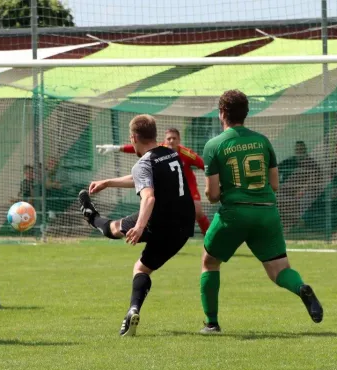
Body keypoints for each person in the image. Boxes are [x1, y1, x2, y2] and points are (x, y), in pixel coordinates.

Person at [199, 90, 323, 333]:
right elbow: (274, 185)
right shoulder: (263, 141)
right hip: (267, 212)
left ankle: (212, 323)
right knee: (280, 269)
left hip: (234, 213)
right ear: (246, 114)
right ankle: (301, 288)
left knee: (209, 262)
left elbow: (213, 196)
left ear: (222, 113)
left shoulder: (214, 145)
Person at [79, 114, 195, 337]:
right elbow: (144, 178)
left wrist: (140, 226)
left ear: (133, 137)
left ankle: (91, 216)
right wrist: (109, 182)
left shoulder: (144, 163)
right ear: (155, 134)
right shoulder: (171, 152)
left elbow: (148, 196)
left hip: (157, 222)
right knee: (142, 267)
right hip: (183, 226)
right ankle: (132, 311)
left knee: (114, 231)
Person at [96, 127, 210, 235]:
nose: (171, 141)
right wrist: (116, 148)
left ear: (179, 140)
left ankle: (209, 237)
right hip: (168, 189)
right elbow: (137, 147)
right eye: (169, 138)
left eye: (174, 138)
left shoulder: (186, 153)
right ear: (165, 140)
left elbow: (204, 165)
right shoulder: (159, 149)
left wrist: (212, 181)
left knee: (197, 210)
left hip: (187, 185)